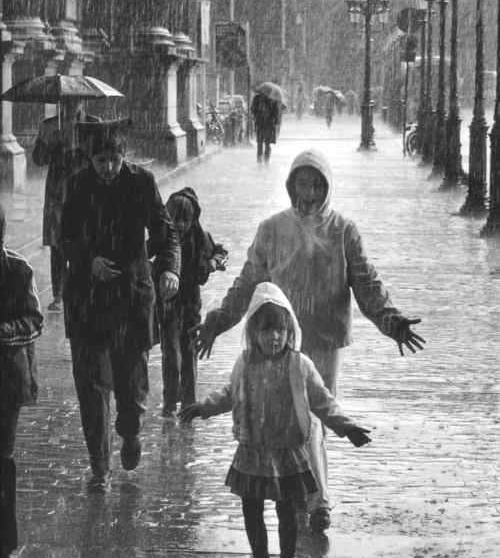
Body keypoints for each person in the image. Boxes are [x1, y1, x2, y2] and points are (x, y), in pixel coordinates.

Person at [192, 149, 425, 533]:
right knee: (290, 421)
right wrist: (217, 321)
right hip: (279, 342)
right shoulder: (271, 230)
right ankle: (298, 491)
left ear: (327, 188)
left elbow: (367, 285)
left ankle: (318, 500)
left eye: (318, 185)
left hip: (325, 341)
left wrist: (392, 321)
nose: (310, 192)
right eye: (303, 183)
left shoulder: (344, 231)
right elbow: (248, 282)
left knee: (316, 415)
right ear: (291, 185)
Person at [180, 282, 371, 558]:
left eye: (280, 330)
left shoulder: (299, 365)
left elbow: (322, 400)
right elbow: (231, 393)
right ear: (254, 332)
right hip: (252, 451)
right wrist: (204, 408)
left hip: (288, 453)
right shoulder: (245, 363)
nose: (274, 337)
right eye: (267, 331)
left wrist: (347, 426)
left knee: (287, 513)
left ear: (289, 330)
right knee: (251, 510)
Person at [61, 120, 181, 491]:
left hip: (131, 298)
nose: (108, 168)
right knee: (92, 386)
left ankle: (129, 432)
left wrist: (169, 270)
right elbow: (64, 238)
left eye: (113, 159)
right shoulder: (78, 186)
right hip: (88, 301)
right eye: (100, 161)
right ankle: (99, 467)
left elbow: (167, 234)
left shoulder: (141, 183)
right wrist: (88, 261)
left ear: (123, 155)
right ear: (90, 159)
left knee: (131, 387)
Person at [0, 203, 43, 558]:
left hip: (5, 382)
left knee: (2, 462)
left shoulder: (18, 270)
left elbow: (34, 319)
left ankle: (5, 551)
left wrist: (3, 332)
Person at [159, 187, 228, 416]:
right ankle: (170, 399)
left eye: (185, 220)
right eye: (174, 219)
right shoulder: (162, 238)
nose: (179, 225)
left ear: (193, 220)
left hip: (190, 303)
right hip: (167, 303)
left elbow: (220, 252)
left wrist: (213, 263)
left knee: (188, 350)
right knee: (170, 351)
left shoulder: (200, 239)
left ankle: (188, 399)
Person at [32, 99, 99, 312]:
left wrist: (79, 150)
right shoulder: (49, 125)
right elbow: (38, 159)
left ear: (82, 102)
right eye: (66, 102)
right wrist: (54, 146)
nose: (71, 106)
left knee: (85, 241)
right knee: (57, 244)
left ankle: (86, 290)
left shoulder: (93, 124)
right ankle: (58, 295)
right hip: (57, 194)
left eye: (75, 102)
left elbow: (101, 153)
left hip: (85, 193)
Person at [250, 92, 280, 163]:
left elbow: (252, 110)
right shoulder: (272, 99)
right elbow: (276, 113)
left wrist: (256, 115)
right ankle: (265, 159)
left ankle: (261, 158)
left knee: (261, 143)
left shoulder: (258, 98)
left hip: (263, 123)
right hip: (267, 124)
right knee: (265, 143)